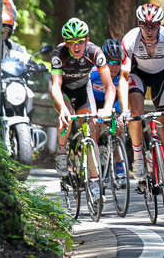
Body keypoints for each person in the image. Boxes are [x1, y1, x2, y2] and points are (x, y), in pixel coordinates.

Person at [119, 3, 164, 207]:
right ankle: (138, 159)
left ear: (159, 25)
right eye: (145, 26)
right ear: (139, 25)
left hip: (161, 77)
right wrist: (124, 110)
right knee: (136, 114)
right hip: (138, 75)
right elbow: (123, 76)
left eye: (153, 26)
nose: (149, 30)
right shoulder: (130, 39)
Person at [50, 17, 116, 200]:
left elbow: (109, 86)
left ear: (87, 40)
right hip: (63, 90)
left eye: (80, 42)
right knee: (68, 115)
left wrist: (107, 109)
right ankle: (62, 152)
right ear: (66, 43)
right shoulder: (59, 54)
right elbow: (56, 86)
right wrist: (62, 108)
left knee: (91, 127)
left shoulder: (95, 52)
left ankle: (94, 181)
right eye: (71, 43)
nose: (76, 47)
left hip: (82, 90)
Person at [87, 39, 124, 176]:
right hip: (95, 102)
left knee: (118, 128)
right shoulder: (95, 72)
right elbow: (86, 91)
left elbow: (123, 96)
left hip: (113, 102)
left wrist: (120, 113)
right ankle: (95, 164)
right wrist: (93, 112)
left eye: (118, 63)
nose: (114, 67)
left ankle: (118, 161)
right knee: (94, 129)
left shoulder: (122, 76)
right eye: (111, 62)